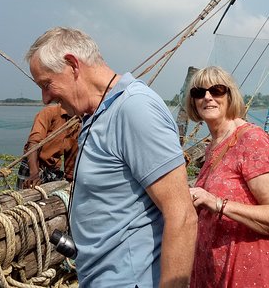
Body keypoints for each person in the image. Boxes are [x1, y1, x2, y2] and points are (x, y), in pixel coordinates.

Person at [26, 27, 197, 287]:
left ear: (73, 65)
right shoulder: (95, 114)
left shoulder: (134, 109)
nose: (45, 98)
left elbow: (182, 215)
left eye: (46, 84)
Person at [185, 66, 269, 287]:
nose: (207, 97)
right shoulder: (215, 145)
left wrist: (217, 203)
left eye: (216, 90)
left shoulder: (251, 141)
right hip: (217, 271)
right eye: (199, 92)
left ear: (230, 96)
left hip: (252, 272)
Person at [16, 104, 80, 189]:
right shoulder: (50, 112)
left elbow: (71, 160)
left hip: (52, 170)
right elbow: (33, 143)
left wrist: (70, 183)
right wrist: (34, 174)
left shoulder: (76, 125)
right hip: (33, 165)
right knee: (25, 197)